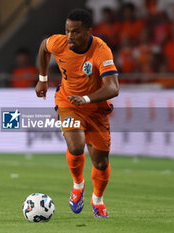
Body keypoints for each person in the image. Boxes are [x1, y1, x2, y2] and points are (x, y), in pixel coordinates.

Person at [35, 9, 119, 218]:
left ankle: (97, 199)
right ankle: (78, 184)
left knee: (101, 162)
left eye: (76, 31)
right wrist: (43, 79)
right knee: (76, 145)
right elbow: (43, 47)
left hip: (95, 108)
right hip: (68, 102)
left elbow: (113, 87)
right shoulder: (60, 43)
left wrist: (88, 99)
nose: (70, 36)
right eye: (67, 30)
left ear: (89, 31)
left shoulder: (101, 50)